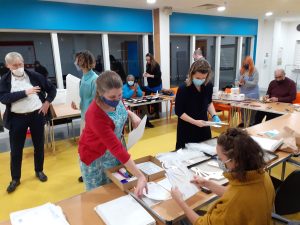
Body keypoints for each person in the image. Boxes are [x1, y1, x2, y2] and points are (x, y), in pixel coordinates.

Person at [171, 128, 275, 225]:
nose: (219, 162)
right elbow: (233, 193)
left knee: (180, 219)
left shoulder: (232, 204)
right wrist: (207, 183)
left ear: (235, 160)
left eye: (220, 158)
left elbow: (201, 223)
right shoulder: (261, 175)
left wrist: (181, 202)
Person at [78, 71, 147, 197]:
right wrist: (140, 176)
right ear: (100, 93)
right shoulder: (95, 114)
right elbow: (116, 148)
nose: (117, 99)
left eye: (119, 95)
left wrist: (131, 115)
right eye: (112, 97)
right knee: (101, 195)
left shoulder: (116, 98)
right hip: (95, 158)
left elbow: (122, 108)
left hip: (112, 154)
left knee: (116, 189)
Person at [0, 52, 57, 193]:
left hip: (36, 115)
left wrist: (46, 103)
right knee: (16, 150)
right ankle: (15, 178)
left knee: (39, 145)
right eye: (15, 65)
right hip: (17, 118)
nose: (19, 67)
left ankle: (39, 171)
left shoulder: (34, 76)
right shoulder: (5, 80)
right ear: (8, 66)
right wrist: (26, 92)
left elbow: (52, 89)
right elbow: (4, 98)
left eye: (21, 64)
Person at [175, 59, 220, 149]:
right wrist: (195, 122)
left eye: (204, 78)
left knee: (205, 151)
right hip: (187, 128)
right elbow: (179, 112)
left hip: (204, 125)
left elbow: (209, 102)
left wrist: (214, 115)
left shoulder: (208, 85)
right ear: (191, 74)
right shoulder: (183, 89)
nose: (201, 80)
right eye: (198, 78)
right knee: (187, 156)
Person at [71, 50, 98, 183]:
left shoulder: (95, 79)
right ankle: (86, 170)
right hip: (84, 117)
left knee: (90, 146)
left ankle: (91, 171)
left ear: (84, 62)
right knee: (84, 147)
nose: (76, 63)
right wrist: (78, 106)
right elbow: (84, 99)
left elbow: (95, 102)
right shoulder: (83, 78)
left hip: (91, 119)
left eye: (78, 60)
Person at [237, 56, 259, 127]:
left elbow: (255, 83)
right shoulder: (241, 70)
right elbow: (236, 80)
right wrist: (238, 83)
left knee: (252, 110)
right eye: (244, 63)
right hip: (243, 93)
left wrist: (245, 82)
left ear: (250, 63)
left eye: (247, 63)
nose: (245, 65)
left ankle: (251, 124)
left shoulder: (255, 71)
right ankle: (243, 122)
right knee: (243, 109)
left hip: (253, 93)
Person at [143, 53, 162, 119]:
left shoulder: (156, 65)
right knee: (147, 98)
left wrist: (149, 75)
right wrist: (145, 74)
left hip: (156, 85)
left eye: (149, 60)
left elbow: (158, 76)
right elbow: (148, 72)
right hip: (150, 85)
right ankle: (149, 113)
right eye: (146, 60)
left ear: (152, 59)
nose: (148, 61)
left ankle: (156, 114)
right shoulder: (147, 64)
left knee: (156, 100)